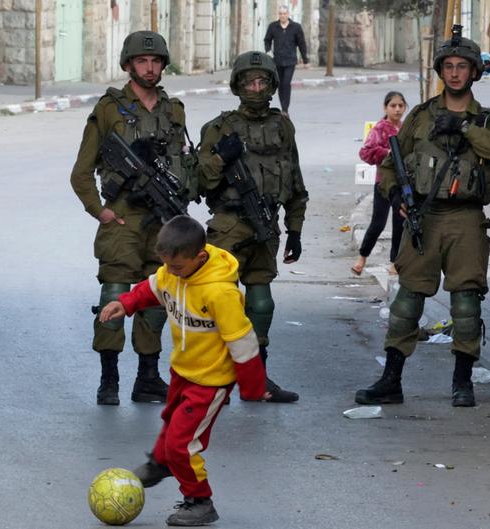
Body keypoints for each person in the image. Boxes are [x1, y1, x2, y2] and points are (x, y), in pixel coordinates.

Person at [354, 26, 490, 408]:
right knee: (408, 300)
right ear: (440, 71)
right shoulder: (421, 117)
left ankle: (462, 382)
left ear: (474, 72)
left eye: (463, 66)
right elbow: (392, 163)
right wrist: (395, 195)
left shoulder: (487, 120)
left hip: (466, 220)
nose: (455, 73)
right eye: (449, 66)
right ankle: (391, 379)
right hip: (423, 217)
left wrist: (463, 128)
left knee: (465, 303)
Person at [99, 215, 269, 526]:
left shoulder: (220, 293)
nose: (171, 273)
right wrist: (125, 303)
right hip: (183, 371)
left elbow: (243, 342)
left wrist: (253, 388)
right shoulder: (170, 274)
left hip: (211, 381)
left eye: (177, 267)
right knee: (170, 423)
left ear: (200, 257)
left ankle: (199, 501)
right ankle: (161, 463)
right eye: (167, 266)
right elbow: (152, 288)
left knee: (183, 444)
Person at [70, 30, 194, 406]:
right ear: (128, 65)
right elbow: (81, 172)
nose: (150, 67)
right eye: (142, 61)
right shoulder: (109, 109)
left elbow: (184, 162)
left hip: (163, 223)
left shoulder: (174, 111)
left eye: (156, 61)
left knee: (156, 298)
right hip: (122, 220)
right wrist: (102, 212)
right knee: (115, 296)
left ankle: (147, 378)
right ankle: (109, 381)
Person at [196, 51, 308, 404]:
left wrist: (295, 230)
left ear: (273, 86)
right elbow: (198, 181)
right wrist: (219, 158)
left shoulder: (282, 126)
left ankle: (256, 379)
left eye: (262, 82)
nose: (256, 89)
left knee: (261, 303)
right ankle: (213, 379)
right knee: (217, 303)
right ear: (237, 86)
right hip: (228, 225)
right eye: (249, 83)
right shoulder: (219, 127)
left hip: (266, 225)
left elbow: (295, 180)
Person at [351, 91, 408, 277]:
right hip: (383, 183)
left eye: (401, 105)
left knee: (400, 222)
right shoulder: (380, 128)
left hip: (403, 184)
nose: (397, 109)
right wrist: (388, 153)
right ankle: (361, 258)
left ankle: (395, 263)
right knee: (378, 223)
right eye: (393, 106)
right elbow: (365, 152)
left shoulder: (406, 129)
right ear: (386, 108)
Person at [263, 5, 309, 115]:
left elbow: (301, 43)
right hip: (277, 60)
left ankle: (285, 109)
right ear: (278, 15)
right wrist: (268, 50)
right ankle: (283, 105)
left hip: (290, 60)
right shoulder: (273, 27)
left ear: (288, 14)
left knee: (286, 83)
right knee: (280, 84)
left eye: (284, 13)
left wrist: (305, 59)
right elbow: (267, 40)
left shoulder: (296, 27)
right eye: (280, 14)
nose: (282, 16)